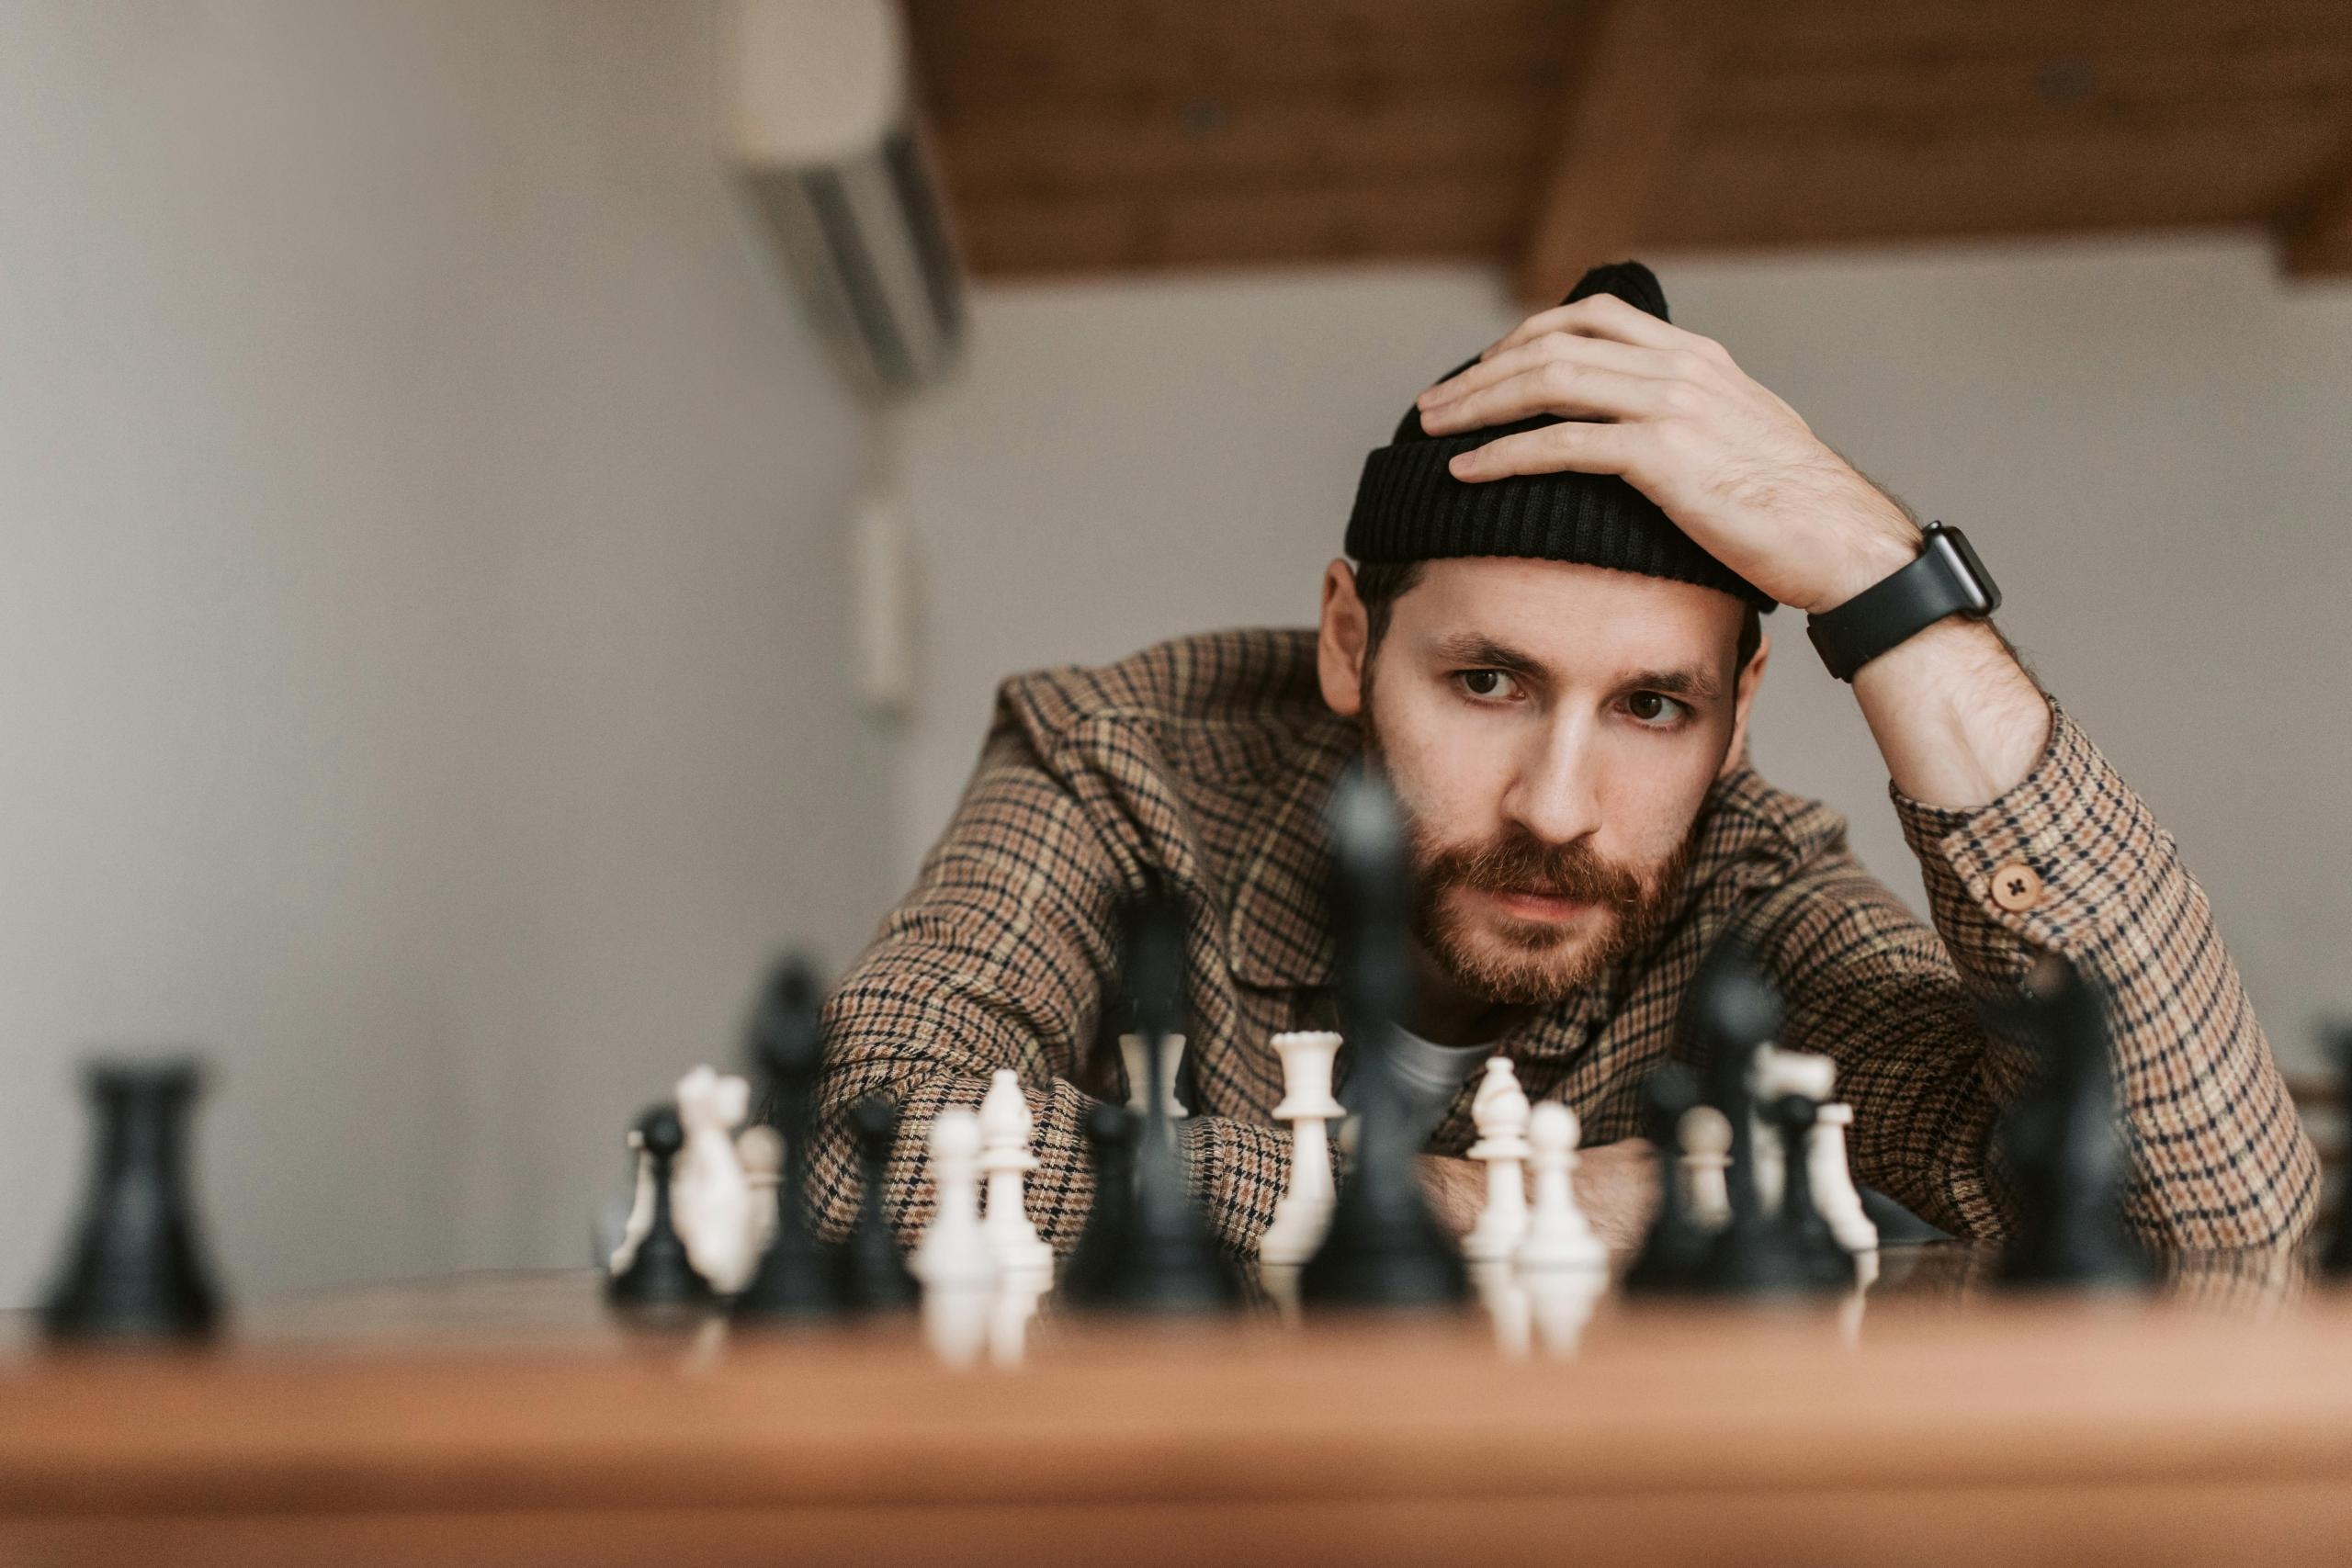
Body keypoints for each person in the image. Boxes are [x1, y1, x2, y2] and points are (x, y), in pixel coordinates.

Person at [808, 262, 2316, 1258]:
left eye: (1655, 707)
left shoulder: (1751, 885)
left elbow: (2220, 1220)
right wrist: (1465, 1207)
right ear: (1350, 641)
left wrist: (1885, 580)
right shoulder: (1124, 760)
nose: (1556, 805)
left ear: (1740, 713)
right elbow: (857, 1131)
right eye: (1485, 681)